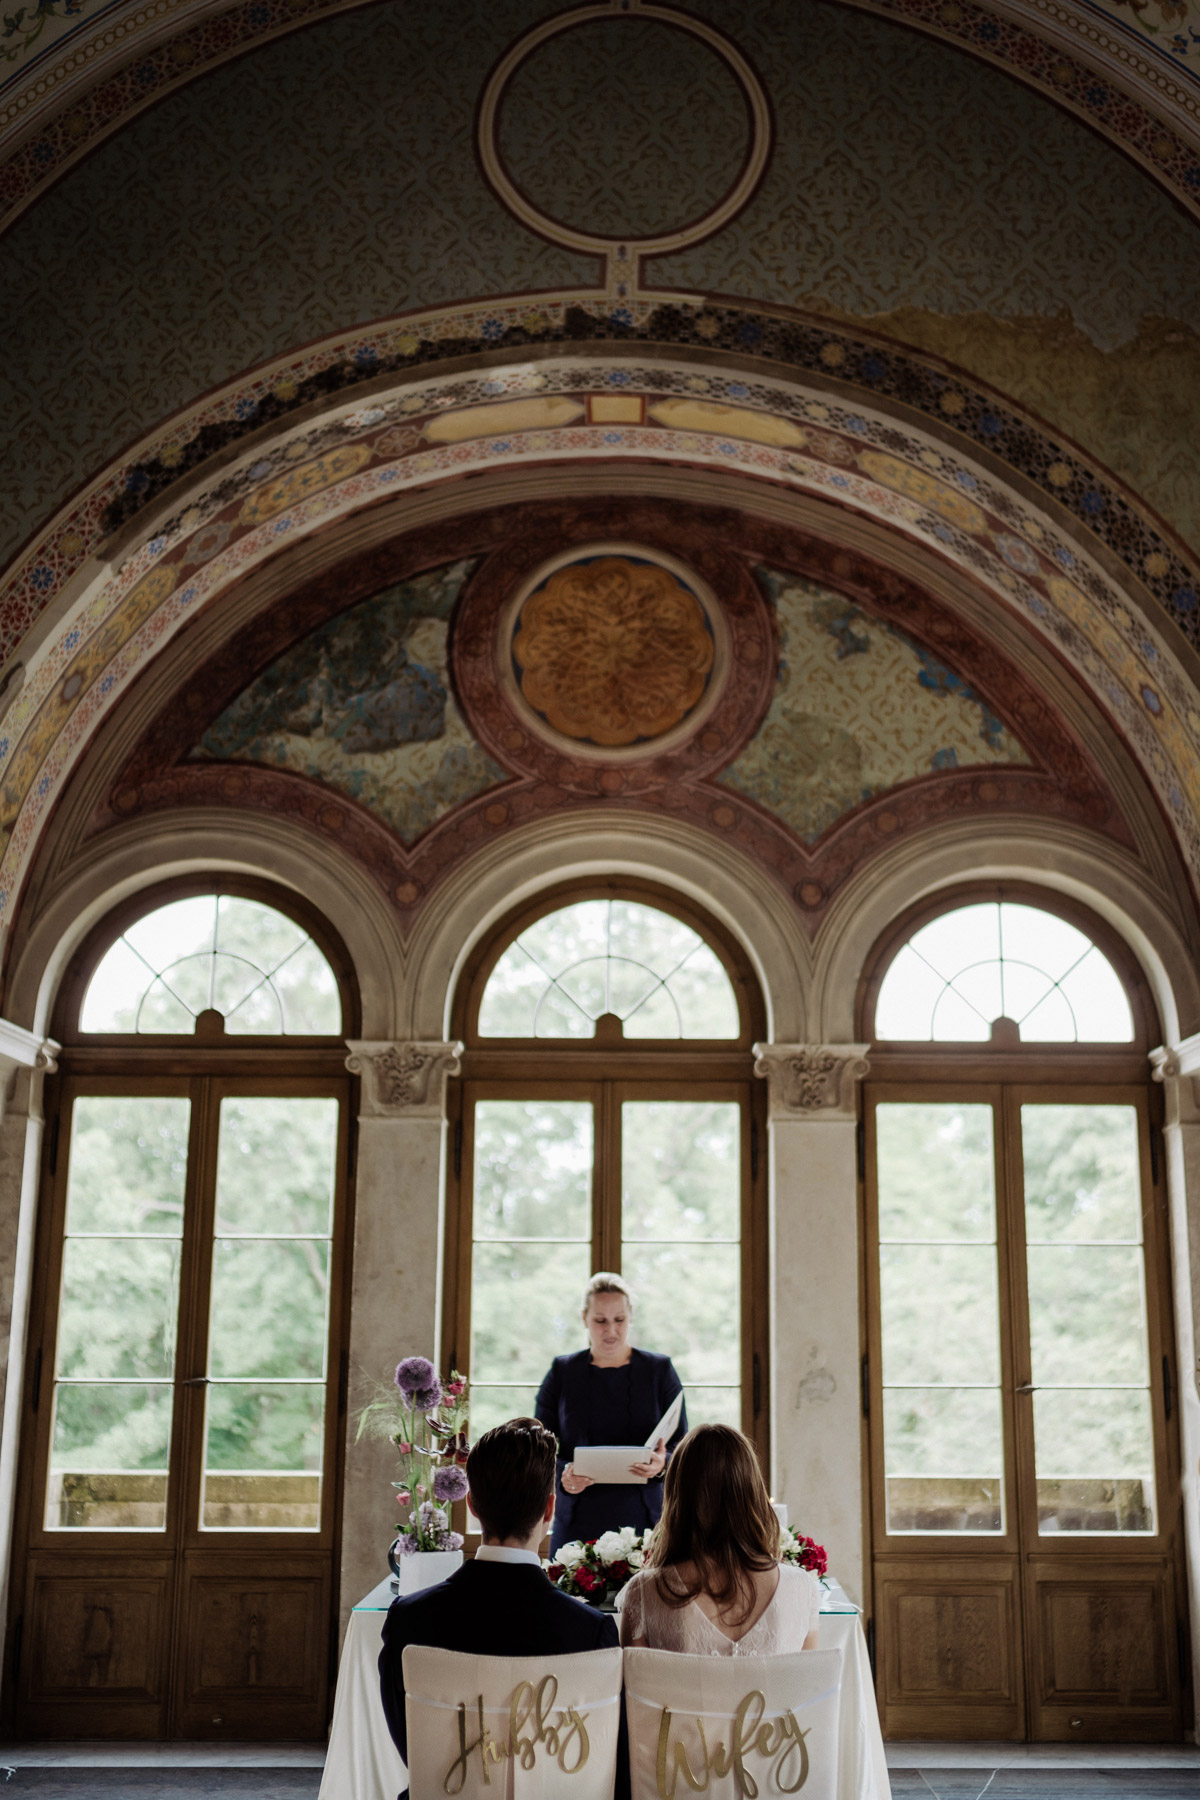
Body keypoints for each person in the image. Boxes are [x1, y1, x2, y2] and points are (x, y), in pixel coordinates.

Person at [378, 1417, 626, 1799]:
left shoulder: (410, 1619)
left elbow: (414, 1748)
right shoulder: (591, 1631)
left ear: (472, 1505)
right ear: (549, 1509)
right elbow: (596, 1759)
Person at [618, 1423, 821, 1654]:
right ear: (752, 1492)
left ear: (677, 1497)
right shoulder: (801, 1588)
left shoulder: (644, 1592)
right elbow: (808, 1686)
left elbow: (636, 1688)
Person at [535, 1271, 687, 1556]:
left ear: (630, 1318)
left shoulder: (660, 1370)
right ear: (584, 1318)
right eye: (600, 1320)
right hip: (578, 1519)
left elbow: (682, 1442)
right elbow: (540, 1446)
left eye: (619, 1320)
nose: (611, 1330)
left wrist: (663, 1462)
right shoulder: (562, 1372)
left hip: (646, 1519)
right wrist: (563, 1475)